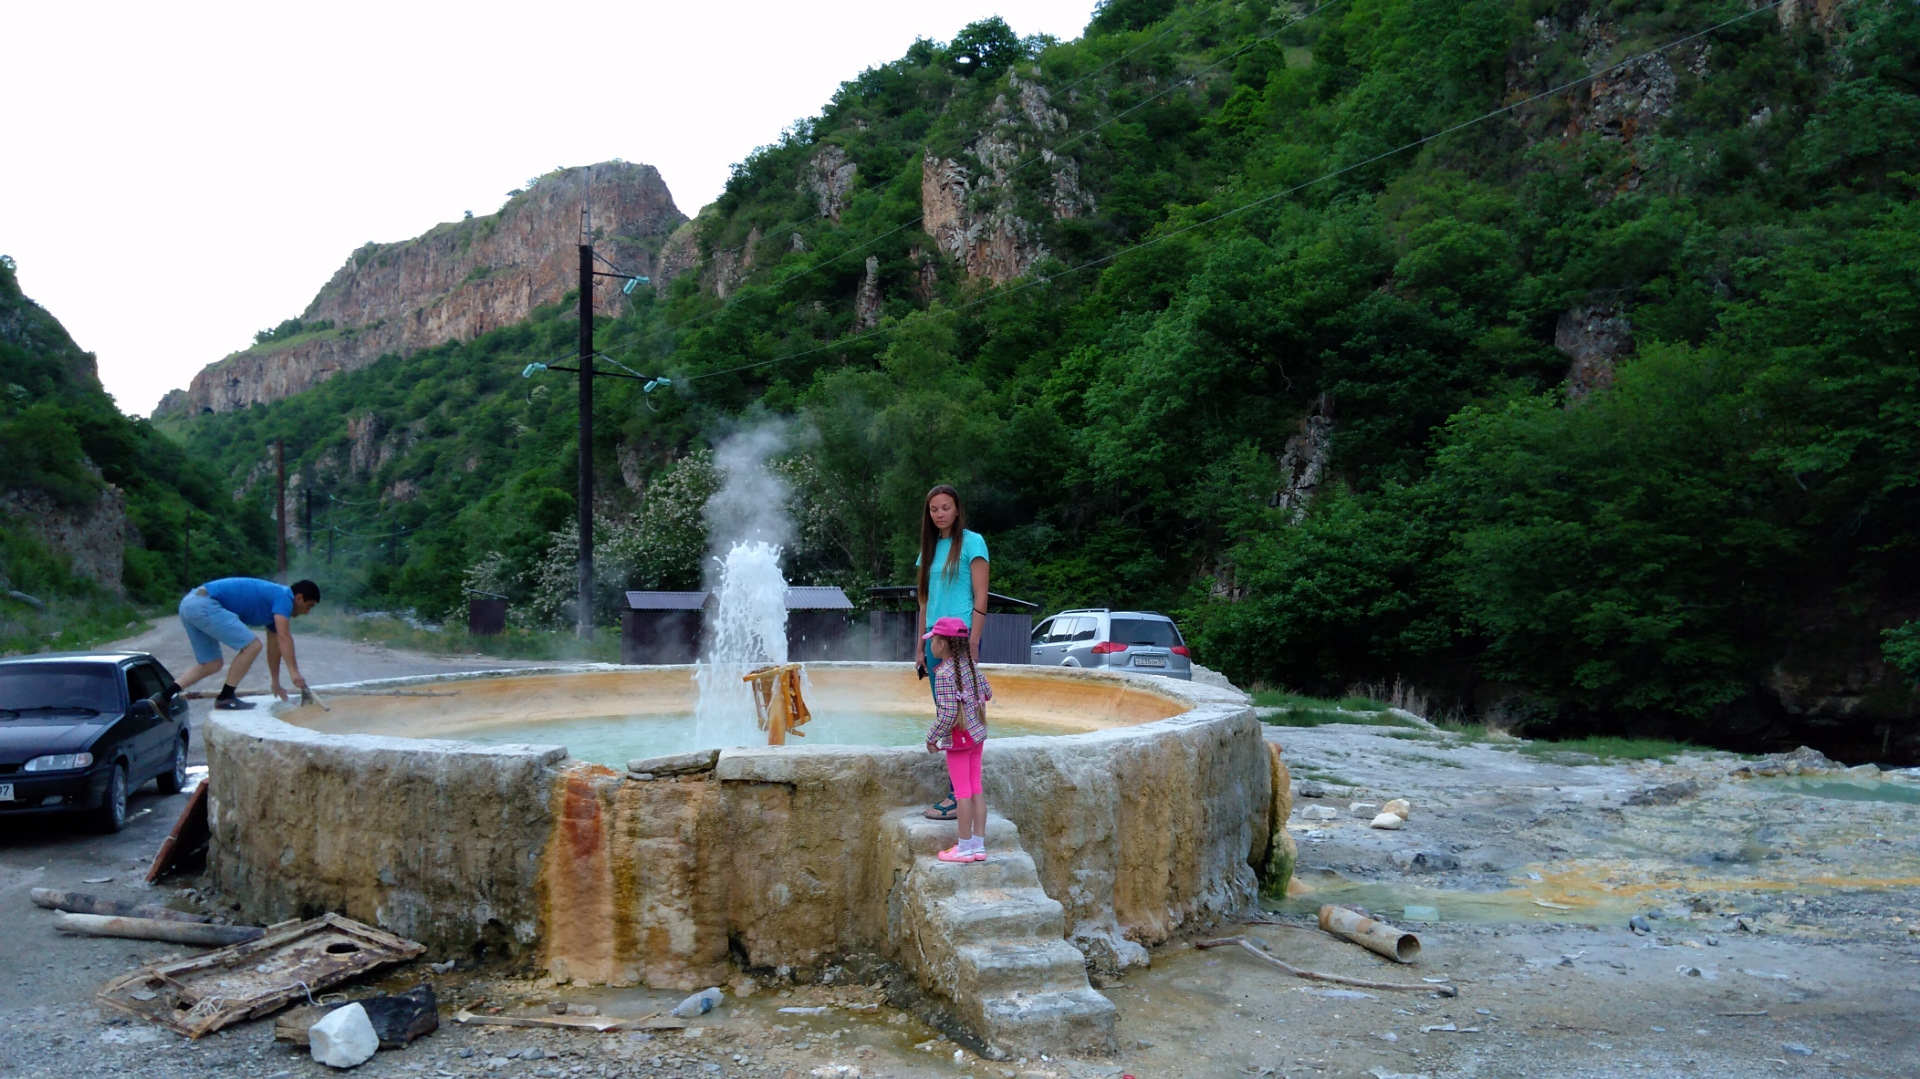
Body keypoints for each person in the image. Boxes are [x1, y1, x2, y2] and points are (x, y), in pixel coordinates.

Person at [915, 484, 989, 820]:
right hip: (936, 641)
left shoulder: (973, 542)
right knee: (944, 709)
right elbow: (924, 601)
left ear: (957, 509)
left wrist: (974, 641)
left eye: (945, 507)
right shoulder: (930, 549)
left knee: (959, 714)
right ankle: (961, 792)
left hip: (959, 640)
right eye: (934, 509)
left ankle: (957, 795)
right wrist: (920, 646)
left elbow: (981, 596)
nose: (940, 513)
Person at [172, 577, 320, 709]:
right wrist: (294, 673)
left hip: (189, 603)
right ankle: (226, 697)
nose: (307, 612)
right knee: (252, 646)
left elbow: (274, 648)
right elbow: (285, 637)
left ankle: (164, 697)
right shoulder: (284, 596)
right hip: (204, 603)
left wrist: (276, 683)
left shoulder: (274, 609)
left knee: (212, 664)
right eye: (310, 606)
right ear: (299, 598)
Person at [924, 616, 992, 862]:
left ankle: (963, 848)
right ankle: (978, 845)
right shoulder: (972, 666)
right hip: (977, 735)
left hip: (960, 740)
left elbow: (948, 714)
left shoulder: (943, 674)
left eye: (932, 640)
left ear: (942, 644)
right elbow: (988, 692)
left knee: (961, 793)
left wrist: (932, 737)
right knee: (976, 788)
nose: (930, 645)